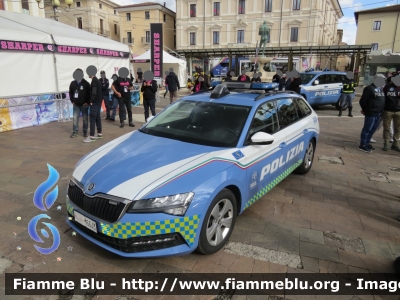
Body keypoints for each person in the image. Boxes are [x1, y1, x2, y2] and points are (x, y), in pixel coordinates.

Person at [358, 74, 386, 153]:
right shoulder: (369, 88)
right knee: (367, 129)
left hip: (379, 113)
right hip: (371, 112)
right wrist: (365, 109)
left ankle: (367, 143)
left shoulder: (380, 89)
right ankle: (363, 144)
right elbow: (362, 101)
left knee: (373, 129)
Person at [69, 69, 90, 138]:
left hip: (84, 105)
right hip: (76, 105)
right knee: (75, 119)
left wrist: (87, 102)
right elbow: (70, 93)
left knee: (85, 119)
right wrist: (72, 101)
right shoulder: (72, 83)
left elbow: (89, 94)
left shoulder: (86, 83)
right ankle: (75, 132)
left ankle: (85, 132)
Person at [84, 67, 103, 142]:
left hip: (95, 103)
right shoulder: (97, 80)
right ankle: (99, 133)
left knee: (92, 118)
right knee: (98, 118)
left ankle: (91, 136)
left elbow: (94, 92)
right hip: (98, 102)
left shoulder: (94, 81)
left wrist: (91, 101)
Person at [382, 74, 400, 152]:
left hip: (398, 111)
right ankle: (386, 143)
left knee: (398, 129)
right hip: (388, 110)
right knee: (386, 128)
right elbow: (382, 97)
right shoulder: (387, 87)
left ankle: (395, 144)